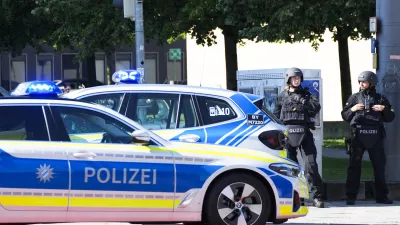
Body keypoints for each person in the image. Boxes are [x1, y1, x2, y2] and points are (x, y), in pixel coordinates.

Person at [341, 71, 395, 205]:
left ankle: (382, 196)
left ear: (372, 83)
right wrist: (352, 109)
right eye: (360, 81)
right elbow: (345, 116)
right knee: (354, 166)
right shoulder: (354, 98)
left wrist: (384, 109)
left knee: (379, 166)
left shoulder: (380, 98)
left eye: (364, 82)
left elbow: (390, 118)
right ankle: (350, 196)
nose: (361, 84)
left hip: (375, 135)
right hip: (358, 135)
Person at [273, 67, 325, 208]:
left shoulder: (307, 94)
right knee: (290, 168)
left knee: (311, 166)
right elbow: (276, 116)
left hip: (304, 133)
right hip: (288, 135)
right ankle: (293, 197)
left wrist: (301, 100)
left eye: (298, 78)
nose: (296, 80)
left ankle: (317, 197)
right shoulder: (282, 96)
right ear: (289, 79)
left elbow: (316, 107)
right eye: (293, 78)